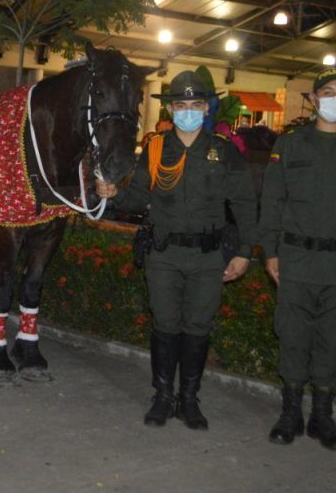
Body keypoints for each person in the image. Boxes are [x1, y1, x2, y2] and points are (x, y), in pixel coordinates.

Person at [106, 71, 257, 431]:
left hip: (208, 256)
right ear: (171, 108)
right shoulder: (157, 148)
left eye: (195, 104)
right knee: (165, 324)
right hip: (164, 254)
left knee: (198, 327)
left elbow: (245, 204)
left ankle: (188, 399)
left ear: (206, 108)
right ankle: (162, 396)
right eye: (181, 104)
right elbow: (139, 197)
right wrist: (112, 195)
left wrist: (244, 252)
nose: (188, 110)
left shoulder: (223, 152)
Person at [259, 68, 336, 451]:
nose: (334, 98)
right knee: (293, 335)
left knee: (333, 337)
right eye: (326, 91)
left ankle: (322, 418)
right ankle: (291, 413)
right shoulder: (290, 144)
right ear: (312, 100)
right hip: (296, 258)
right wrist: (270, 250)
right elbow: (272, 201)